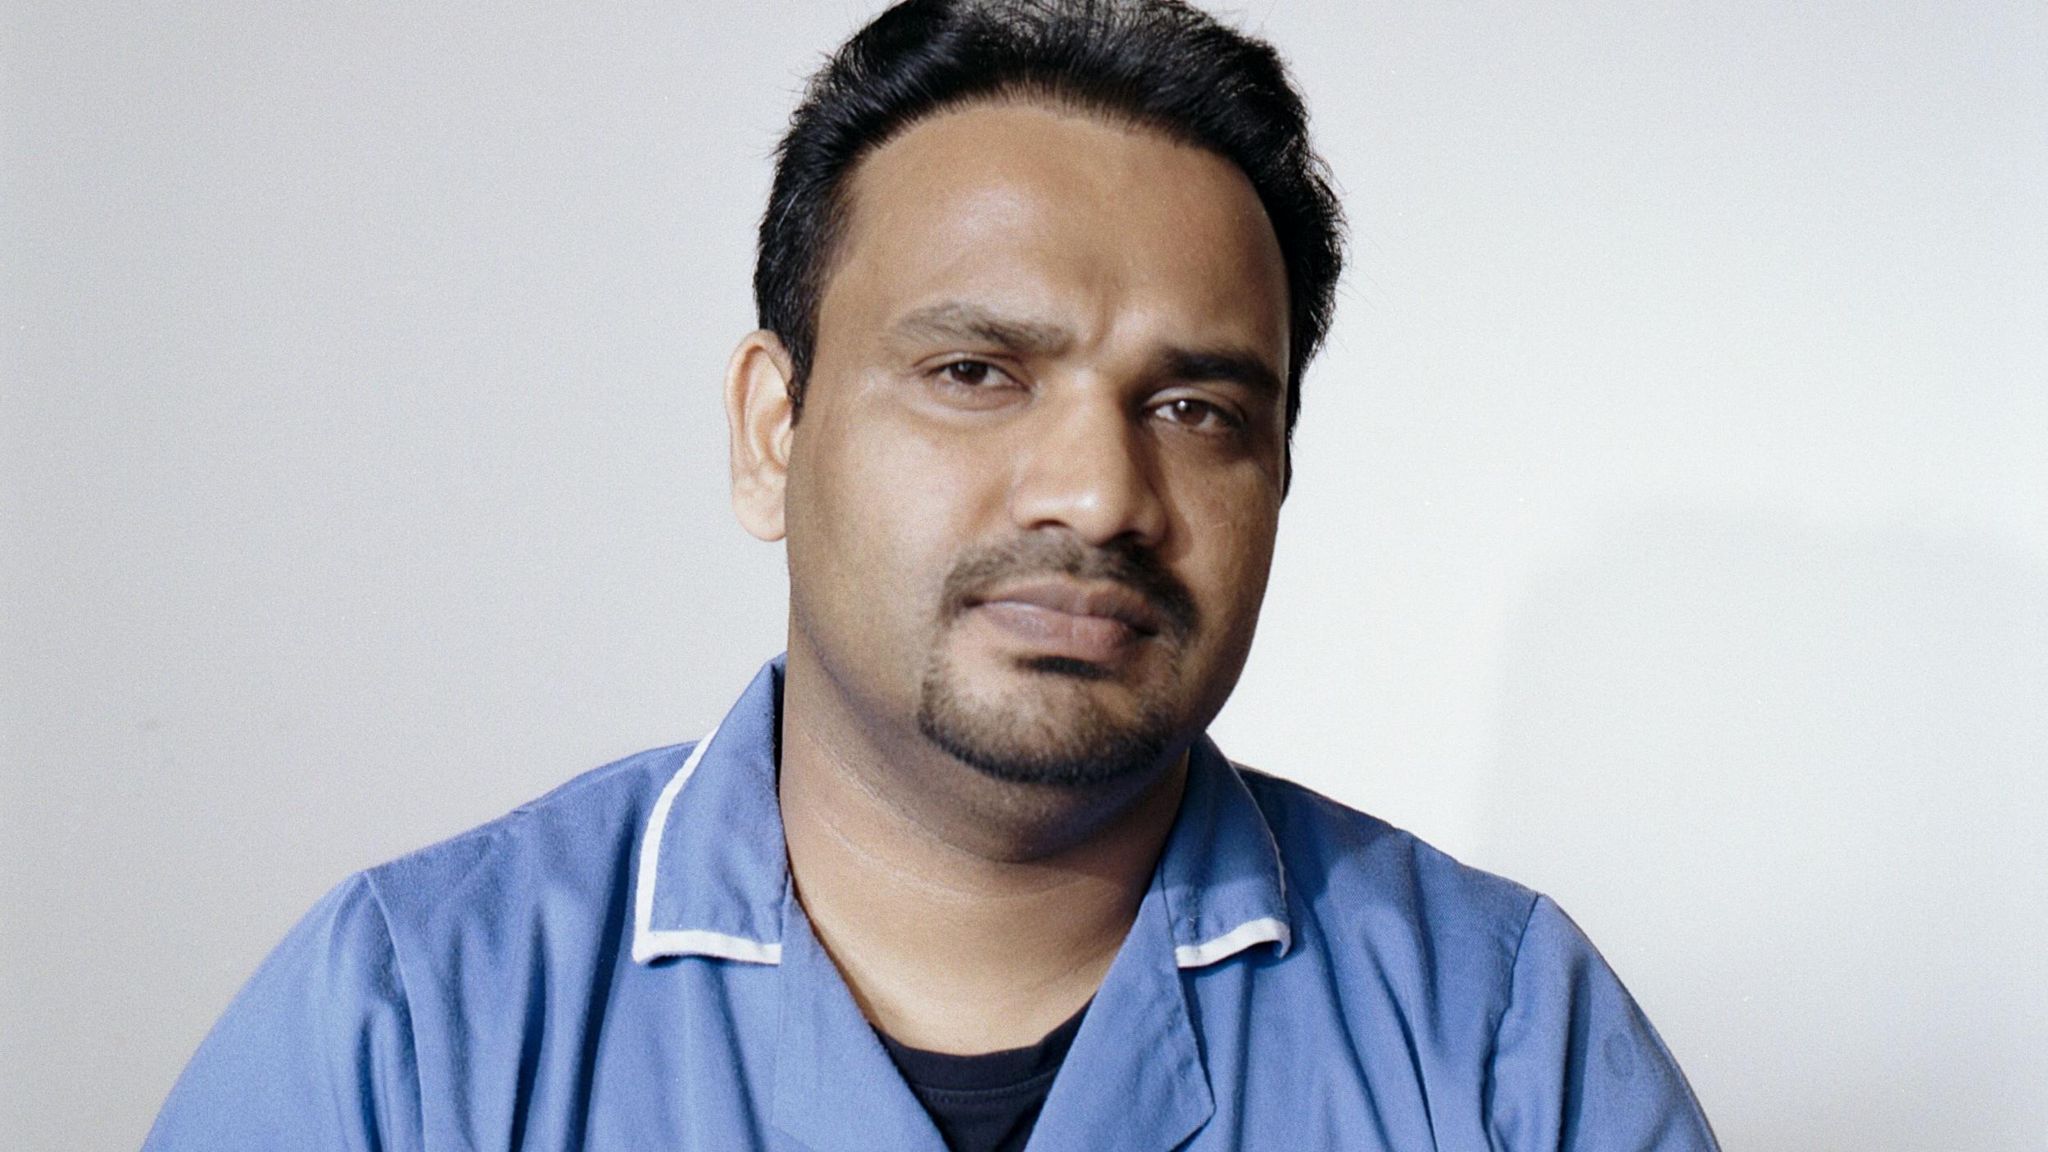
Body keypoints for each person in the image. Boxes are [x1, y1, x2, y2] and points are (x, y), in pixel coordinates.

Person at [145, 1, 1719, 1149]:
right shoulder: (414, 1031)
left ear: (1282, 471)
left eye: (1197, 408)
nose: (1101, 493)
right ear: (778, 428)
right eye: (975, 371)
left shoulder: (1506, 1051)